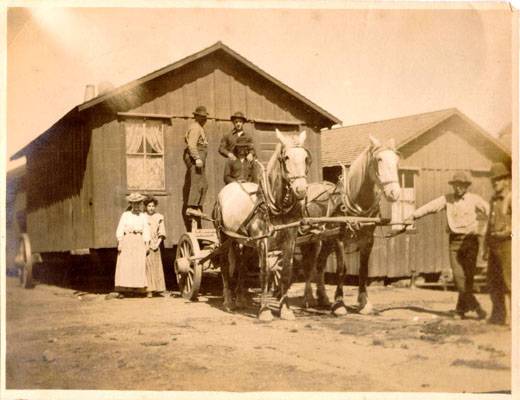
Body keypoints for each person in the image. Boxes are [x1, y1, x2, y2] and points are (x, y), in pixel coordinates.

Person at [405, 172, 489, 320]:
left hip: (471, 242)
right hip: (454, 242)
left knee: (467, 278)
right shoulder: (447, 199)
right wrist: (413, 215)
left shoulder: (474, 199)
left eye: (461, 185)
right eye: (455, 185)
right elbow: (430, 206)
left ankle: (460, 310)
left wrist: (484, 229)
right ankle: (476, 307)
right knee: (458, 278)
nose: (458, 188)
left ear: (466, 186)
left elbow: (490, 211)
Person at [485, 163, 512, 325]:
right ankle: (498, 315)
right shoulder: (493, 200)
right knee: (494, 281)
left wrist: (507, 231)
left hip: (507, 244)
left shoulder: (511, 198)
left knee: (509, 282)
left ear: (506, 180)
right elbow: (490, 223)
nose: (495, 183)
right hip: (494, 245)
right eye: (493, 180)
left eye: (499, 180)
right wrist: (485, 245)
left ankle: (512, 317)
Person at [114, 193, 150, 298]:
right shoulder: (125, 215)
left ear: (141, 204)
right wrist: (120, 241)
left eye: (138, 204)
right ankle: (125, 289)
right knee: (126, 264)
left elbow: (146, 230)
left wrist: (147, 243)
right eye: (134, 204)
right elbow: (120, 228)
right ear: (131, 204)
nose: (136, 206)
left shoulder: (143, 216)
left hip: (139, 240)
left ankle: (137, 289)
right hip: (128, 240)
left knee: (138, 264)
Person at [183, 106, 209, 231]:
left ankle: (197, 205)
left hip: (200, 159)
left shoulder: (200, 128)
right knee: (196, 182)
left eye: (205, 117)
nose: (204, 119)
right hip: (196, 159)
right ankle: (192, 206)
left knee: (203, 183)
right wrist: (197, 158)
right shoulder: (195, 128)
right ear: (196, 117)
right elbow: (191, 144)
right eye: (201, 117)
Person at [144, 196, 167, 298]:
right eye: (149, 206)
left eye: (153, 206)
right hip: (145, 244)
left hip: (155, 244)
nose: (151, 208)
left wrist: (157, 244)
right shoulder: (142, 216)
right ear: (146, 207)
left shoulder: (159, 217)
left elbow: (161, 233)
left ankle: (158, 289)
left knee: (156, 266)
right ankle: (149, 290)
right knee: (147, 267)